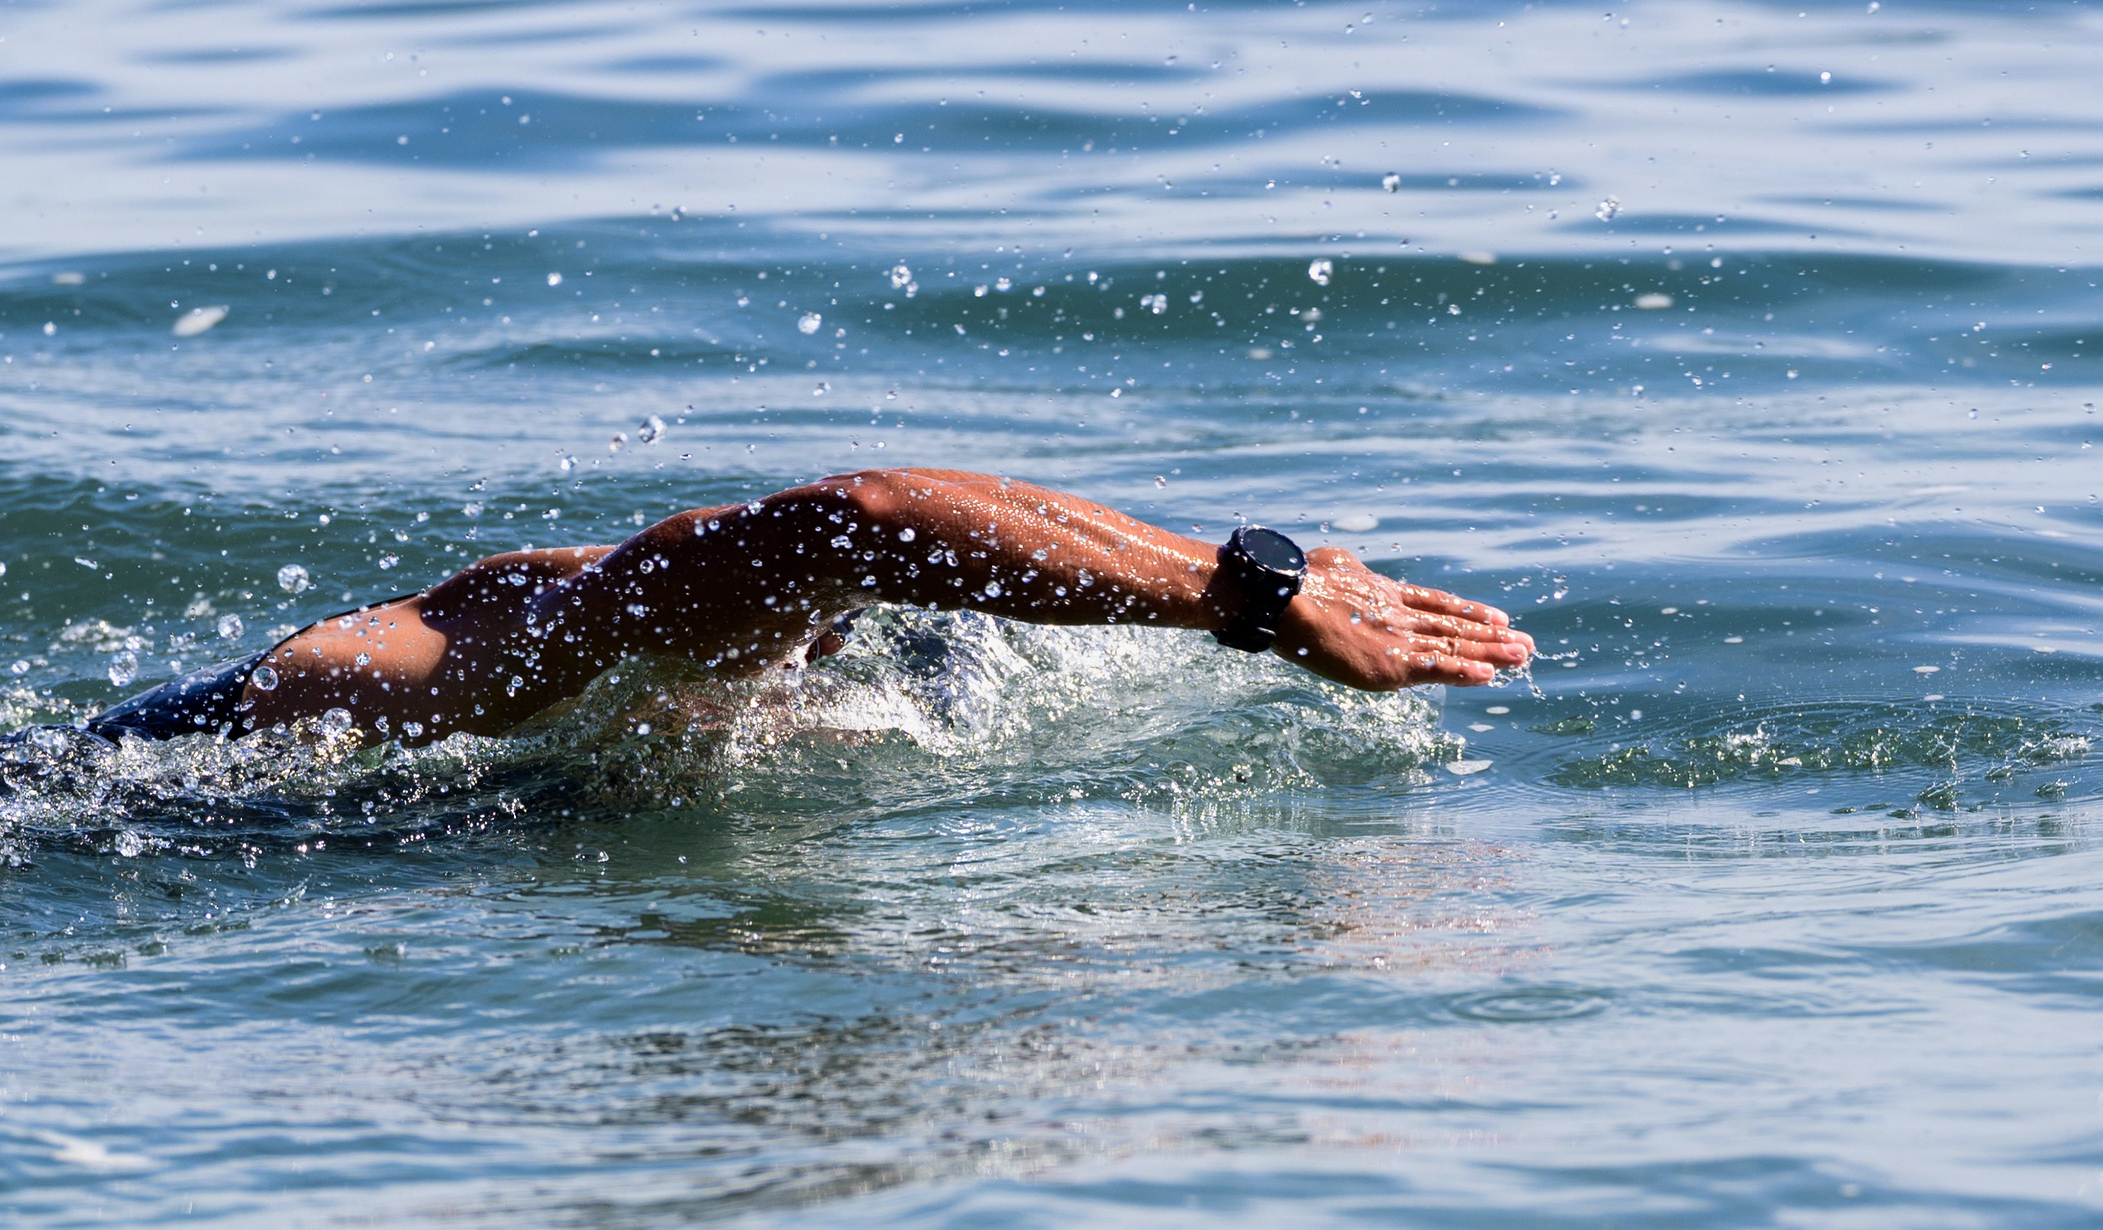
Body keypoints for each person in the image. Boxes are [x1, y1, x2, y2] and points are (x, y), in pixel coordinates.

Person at [92, 467, 1529, 746]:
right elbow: (869, 519)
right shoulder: (529, 652)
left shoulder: (785, 681)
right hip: (126, 817)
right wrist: (1243, 594)